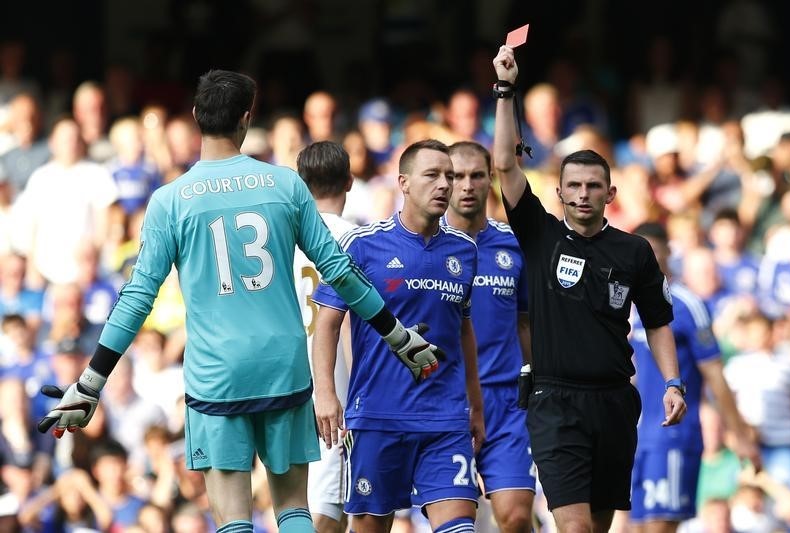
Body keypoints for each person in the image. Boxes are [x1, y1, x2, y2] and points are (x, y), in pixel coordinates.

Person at [36, 70, 444, 533]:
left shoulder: (170, 200)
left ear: (195, 117)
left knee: (233, 520)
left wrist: (90, 383)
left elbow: (136, 300)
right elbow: (341, 272)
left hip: (216, 377)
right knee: (292, 510)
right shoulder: (285, 185)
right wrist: (397, 334)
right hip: (284, 367)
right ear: (247, 119)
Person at [491, 45, 687, 533]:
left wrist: (672, 382)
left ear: (610, 194)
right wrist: (505, 91)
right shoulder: (539, 234)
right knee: (574, 528)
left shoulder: (635, 251)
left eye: (593, 186)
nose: (582, 195)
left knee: (597, 528)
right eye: (573, 186)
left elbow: (659, 321)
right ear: (559, 193)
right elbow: (505, 165)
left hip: (615, 402)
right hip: (554, 402)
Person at [313, 139, 486, 533]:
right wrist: (326, 392)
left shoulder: (464, 250)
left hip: (444, 418)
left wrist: (475, 404)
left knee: (461, 526)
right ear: (404, 183)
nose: (446, 184)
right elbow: (327, 321)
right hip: (377, 416)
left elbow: (463, 328)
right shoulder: (364, 245)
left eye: (451, 176)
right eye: (433, 175)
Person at [627, 222, 761, 533]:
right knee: (636, 528)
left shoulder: (687, 304)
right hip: (637, 437)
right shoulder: (629, 307)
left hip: (673, 434)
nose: (644, 259)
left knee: (660, 527)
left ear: (668, 253)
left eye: (652, 251)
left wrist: (739, 434)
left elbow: (715, 373)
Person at [443, 141, 536, 533]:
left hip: (507, 401)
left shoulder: (514, 244)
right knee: (457, 523)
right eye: (457, 176)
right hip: (447, 404)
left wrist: (539, 383)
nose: (467, 185)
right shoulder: (425, 246)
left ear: (491, 180)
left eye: (476, 175)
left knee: (515, 517)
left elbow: (526, 323)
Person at [292, 140, 355, 533]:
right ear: (349, 181)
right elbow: (353, 322)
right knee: (328, 513)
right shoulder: (358, 239)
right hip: (338, 389)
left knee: (297, 505)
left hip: (287, 383)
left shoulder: (283, 240)